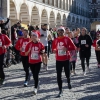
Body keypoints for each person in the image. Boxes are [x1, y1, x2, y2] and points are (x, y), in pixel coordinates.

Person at [52, 27, 76, 97]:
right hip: (58, 60)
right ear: (57, 32)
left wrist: (67, 48)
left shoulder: (67, 39)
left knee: (67, 74)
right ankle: (60, 90)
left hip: (66, 59)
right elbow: (53, 48)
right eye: (59, 31)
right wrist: (54, 50)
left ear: (64, 32)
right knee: (58, 75)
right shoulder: (55, 40)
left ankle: (68, 81)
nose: (60, 32)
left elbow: (74, 47)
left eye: (62, 31)